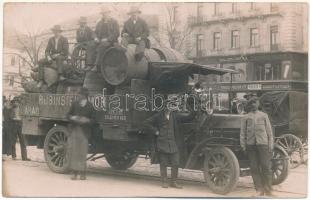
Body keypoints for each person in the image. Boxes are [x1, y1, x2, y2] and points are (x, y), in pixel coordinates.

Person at [145, 102, 196, 188]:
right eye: (168, 106)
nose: (169, 107)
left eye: (171, 106)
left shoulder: (175, 116)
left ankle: (174, 182)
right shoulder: (158, 116)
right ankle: (164, 182)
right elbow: (146, 123)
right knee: (163, 163)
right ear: (164, 107)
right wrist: (155, 131)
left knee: (175, 163)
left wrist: (195, 109)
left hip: (173, 144)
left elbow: (188, 118)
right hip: (162, 143)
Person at [240, 97, 274, 196]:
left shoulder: (264, 116)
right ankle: (259, 189)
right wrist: (243, 145)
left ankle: (268, 189)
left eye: (255, 103)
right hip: (251, 146)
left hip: (263, 145)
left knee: (266, 167)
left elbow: (269, 132)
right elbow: (242, 133)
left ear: (258, 104)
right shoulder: (246, 117)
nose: (254, 105)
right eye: (252, 103)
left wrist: (270, 144)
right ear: (250, 105)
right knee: (254, 167)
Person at [67, 88, 94, 180]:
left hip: (85, 132)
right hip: (75, 130)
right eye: (78, 94)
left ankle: (83, 173)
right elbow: (67, 115)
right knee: (74, 152)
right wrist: (73, 117)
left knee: (82, 153)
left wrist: (87, 120)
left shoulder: (90, 106)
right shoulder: (74, 104)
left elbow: (94, 120)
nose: (78, 96)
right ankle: (74, 173)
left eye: (79, 95)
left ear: (84, 96)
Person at [10, 97, 30, 161]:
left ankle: (24, 157)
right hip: (14, 124)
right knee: (13, 141)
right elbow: (10, 117)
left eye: (17, 101)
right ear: (13, 103)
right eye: (15, 102)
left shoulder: (22, 108)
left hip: (20, 124)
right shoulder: (11, 109)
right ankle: (14, 156)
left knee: (23, 141)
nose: (16, 103)